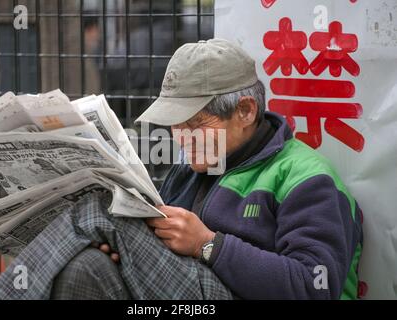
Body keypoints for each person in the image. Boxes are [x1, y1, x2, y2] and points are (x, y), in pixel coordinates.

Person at [51, 38, 363, 300]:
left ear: (245, 111)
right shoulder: (190, 167)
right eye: (175, 125)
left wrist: (208, 245)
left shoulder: (307, 178)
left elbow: (315, 286)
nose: (182, 137)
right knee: (88, 265)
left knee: (93, 214)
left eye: (196, 124)